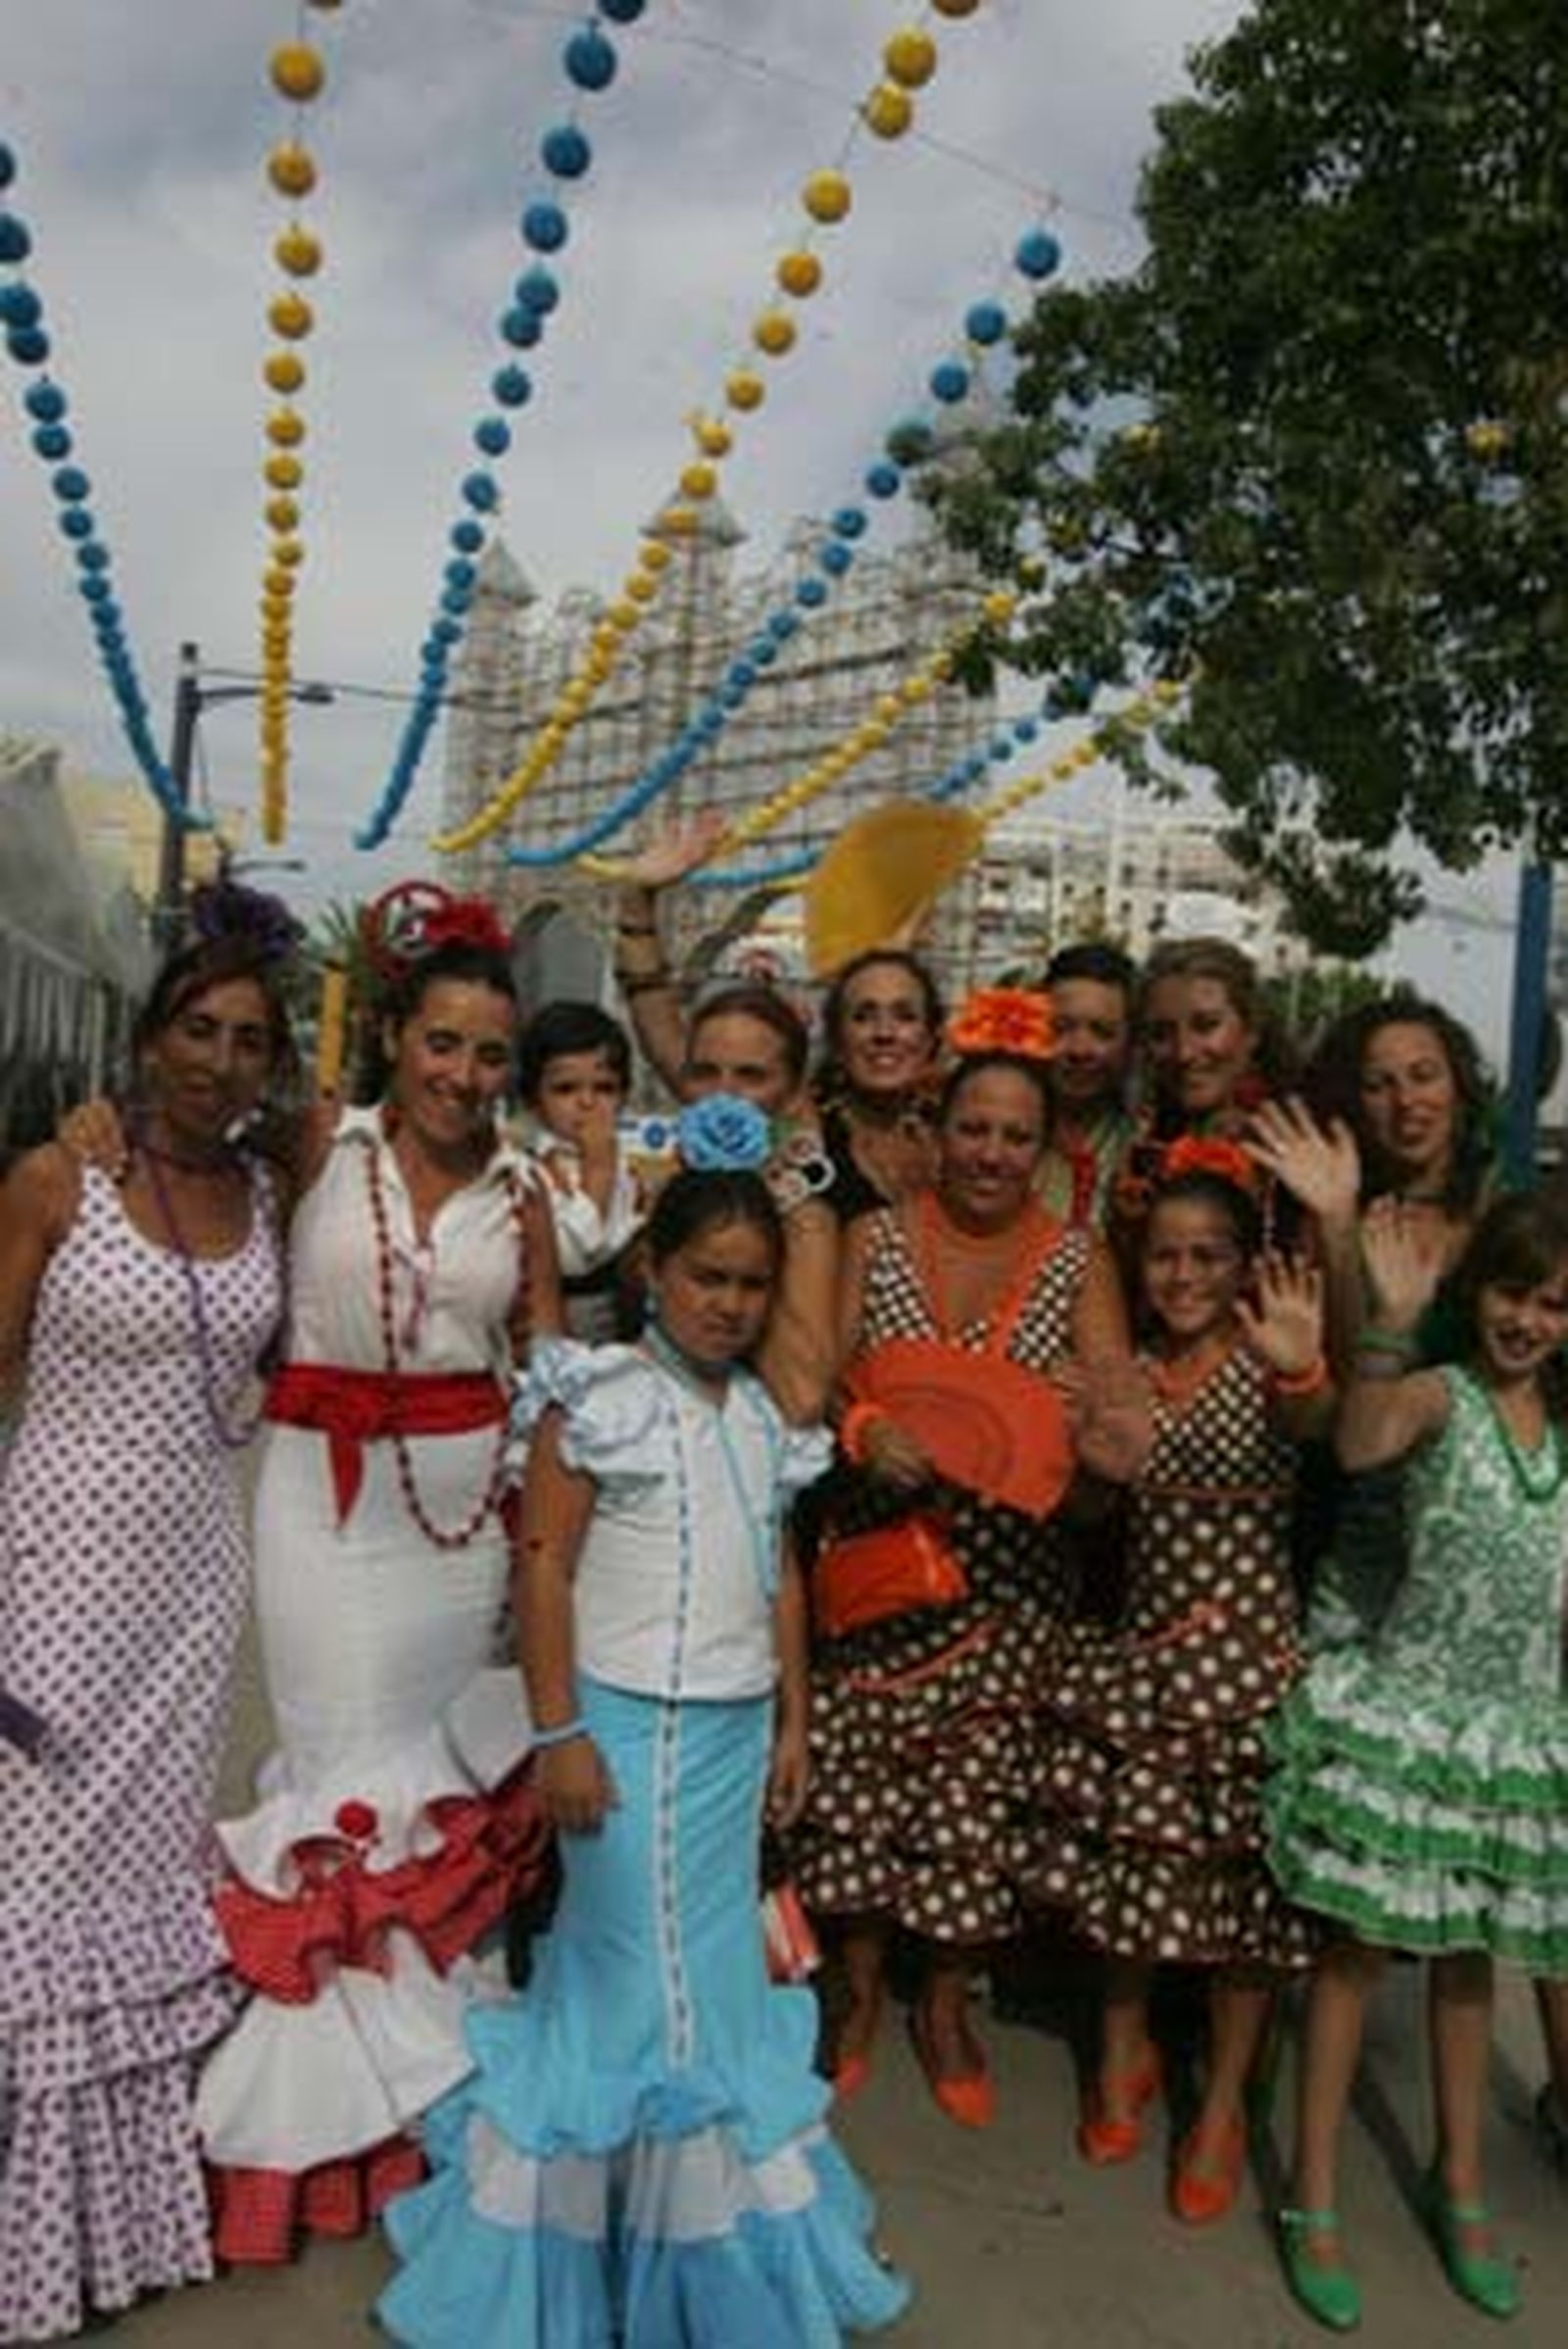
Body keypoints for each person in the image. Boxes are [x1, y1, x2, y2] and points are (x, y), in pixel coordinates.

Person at [376, 1167, 909, 2346]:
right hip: (622, 1732)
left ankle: (685, 2240)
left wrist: (794, 1718)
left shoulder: (766, 1418)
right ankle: (602, 2259)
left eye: (751, 1285)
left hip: (728, 1737)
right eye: (705, 1276)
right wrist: (559, 1732)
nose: (727, 1303)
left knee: (706, 1984)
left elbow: (774, 1571)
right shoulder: (599, 1395)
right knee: (638, 1988)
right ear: (651, 1274)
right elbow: (545, 1568)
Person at [189, 899, 563, 2263]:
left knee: (428, 1776)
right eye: (444, 1044)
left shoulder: (523, 1191)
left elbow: (552, 1363)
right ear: (397, 1038)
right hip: (315, 1498)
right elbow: (194, 1113)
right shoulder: (315, 1146)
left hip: (455, 1517)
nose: (465, 1076)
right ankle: (321, 2114)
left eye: (489, 1057)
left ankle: (421, 2096)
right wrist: (97, 1133)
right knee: (340, 1773)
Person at [0, 914, 293, 2340]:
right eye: (199, 1030)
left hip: (189, 1588)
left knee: (133, 1881)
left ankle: (106, 2223)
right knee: (30, 1877)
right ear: (147, 1036)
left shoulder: (271, 1188)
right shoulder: (60, 1176)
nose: (220, 1060)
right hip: (52, 1574)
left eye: (249, 1039)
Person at [791, 990, 1148, 2126]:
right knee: (858, 1782)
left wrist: (1086, 1442)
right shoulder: (871, 1235)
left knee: (972, 1799)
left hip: (1007, 1579)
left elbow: (1106, 1431)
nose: (990, 1152)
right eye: (973, 1128)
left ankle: (945, 2001)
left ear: (1043, 1152)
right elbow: (827, 1374)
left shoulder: (1077, 1260)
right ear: (937, 1129)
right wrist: (863, 1430)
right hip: (882, 1555)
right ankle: (853, 1986)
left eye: (1015, 1135)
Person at [1265, 1191, 1568, 2329]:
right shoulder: (1443, 1400)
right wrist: (1391, 1316)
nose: (1527, 1321)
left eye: (1553, 1305)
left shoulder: (1565, 1440)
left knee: (1468, 1963)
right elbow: (1356, 1441)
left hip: (1513, 1730)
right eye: (1510, 1293)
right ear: (1473, 1292)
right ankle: (1314, 2195)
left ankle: (1461, 2184)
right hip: (1412, 1715)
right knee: (1353, 1958)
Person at [1028, 1149, 1328, 2224]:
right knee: (1129, 1876)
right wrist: (1095, 1466)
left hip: (1247, 1666)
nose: (1185, 1274)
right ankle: (1121, 2058)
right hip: (1145, 1661)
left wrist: (1299, 1368)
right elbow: (1092, 1518)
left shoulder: (1270, 1356)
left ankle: (1219, 2115)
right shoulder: (1125, 1367)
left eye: (1208, 1255)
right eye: (1164, 1255)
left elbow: (1319, 1433)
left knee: (1245, 1903)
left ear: (1244, 1264)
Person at [1112, 938, 1291, 1272]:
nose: (1184, 1052)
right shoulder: (1140, 1149)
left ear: (1251, 1031)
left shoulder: (1298, 1151)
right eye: (1161, 1033)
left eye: (1206, 1026)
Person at [515, 999, 646, 1343]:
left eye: (604, 1088)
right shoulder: (530, 1169)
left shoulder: (627, 1162)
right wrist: (597, 1170)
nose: (587, 1102)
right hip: (559, 1321)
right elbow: (573, 1258)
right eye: (565, 1089)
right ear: (533, 1099)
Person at [811, 948, 945, 1221]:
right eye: (863, 1017)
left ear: (930, 1039)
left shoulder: (954, 1133)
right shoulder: (808, 1140)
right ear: (837, 1041)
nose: (884, 1033)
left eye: (905, 1016)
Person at [1038, 940, 1138, 1227]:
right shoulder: (994, 1132)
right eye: (1061, 1029)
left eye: (1102, 1032)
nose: (1080, 1050)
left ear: (1130, 1043)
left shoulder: (1144, 1143)